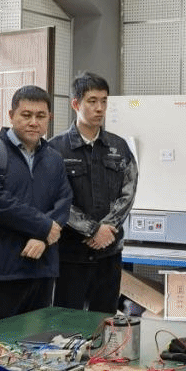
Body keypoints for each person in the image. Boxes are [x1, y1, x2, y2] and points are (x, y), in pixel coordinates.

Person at [0, 85, 72, 323]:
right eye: (26, 115)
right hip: (0, 271)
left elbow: (64, 201)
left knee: (36, 339)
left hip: (43, 268)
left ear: (49, 118)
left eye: (41, 116)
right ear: (11, 115)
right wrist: (43, 226)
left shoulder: (54, 158)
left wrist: (43, 237)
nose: (34, 122)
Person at [47, 71, 138, 314]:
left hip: (109, 253)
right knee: (66, 322)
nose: (100, 108)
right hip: (70, 255)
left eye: (104, 101)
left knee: (104, 321)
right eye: (92, 101)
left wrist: (107, 228)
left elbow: (128, 192)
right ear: (76, 104)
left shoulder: (119, 147)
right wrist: (93, 229)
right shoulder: (55, 149)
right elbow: (55, 199)